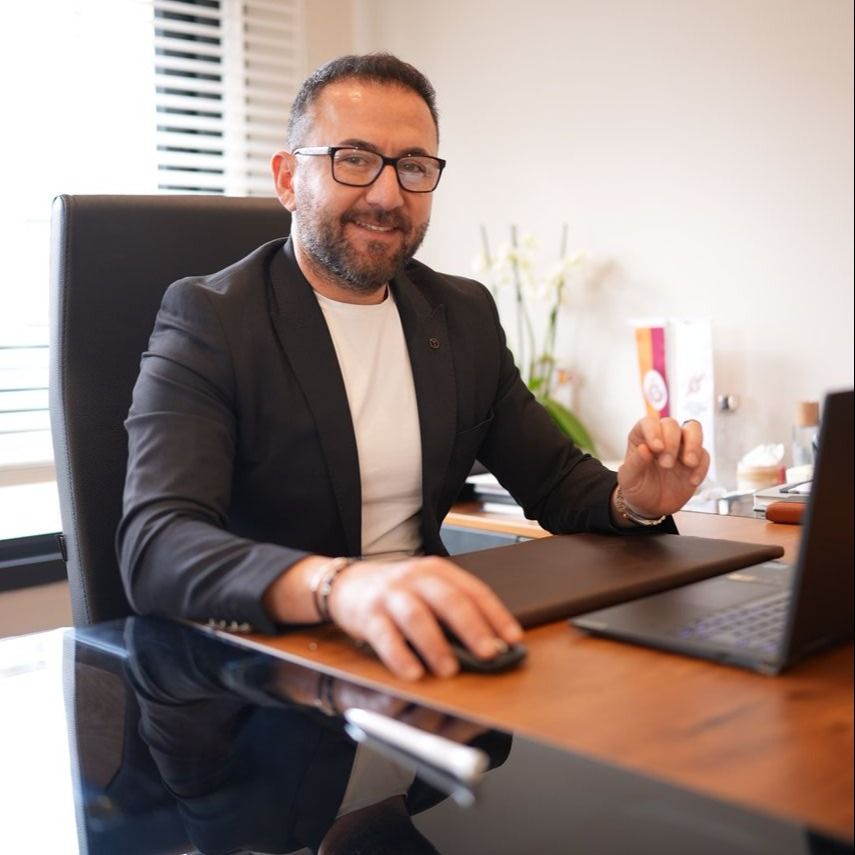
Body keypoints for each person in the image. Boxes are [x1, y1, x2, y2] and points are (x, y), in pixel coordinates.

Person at [118, 53, 709, 681]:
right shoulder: (212, 319)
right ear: (288, 180)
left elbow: (556, 481)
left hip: (430, 654)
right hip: (267, 673)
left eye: (414, 167)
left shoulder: (460, 314)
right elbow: (157, 545)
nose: (386, 194)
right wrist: (339, 587)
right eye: (353, 159)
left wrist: (634, 503)